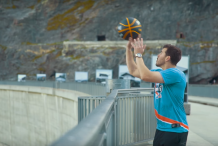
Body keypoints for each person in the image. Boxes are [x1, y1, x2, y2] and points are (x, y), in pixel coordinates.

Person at [126, 36, 189, 146]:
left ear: (167, 58)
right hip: (162, 128)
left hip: (174, 129)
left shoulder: (175, 73)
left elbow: (145, 76)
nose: (158, 55)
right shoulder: (160, 73)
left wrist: (139, 54)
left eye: (161, 53)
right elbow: (133, 70)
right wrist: (128, 50)